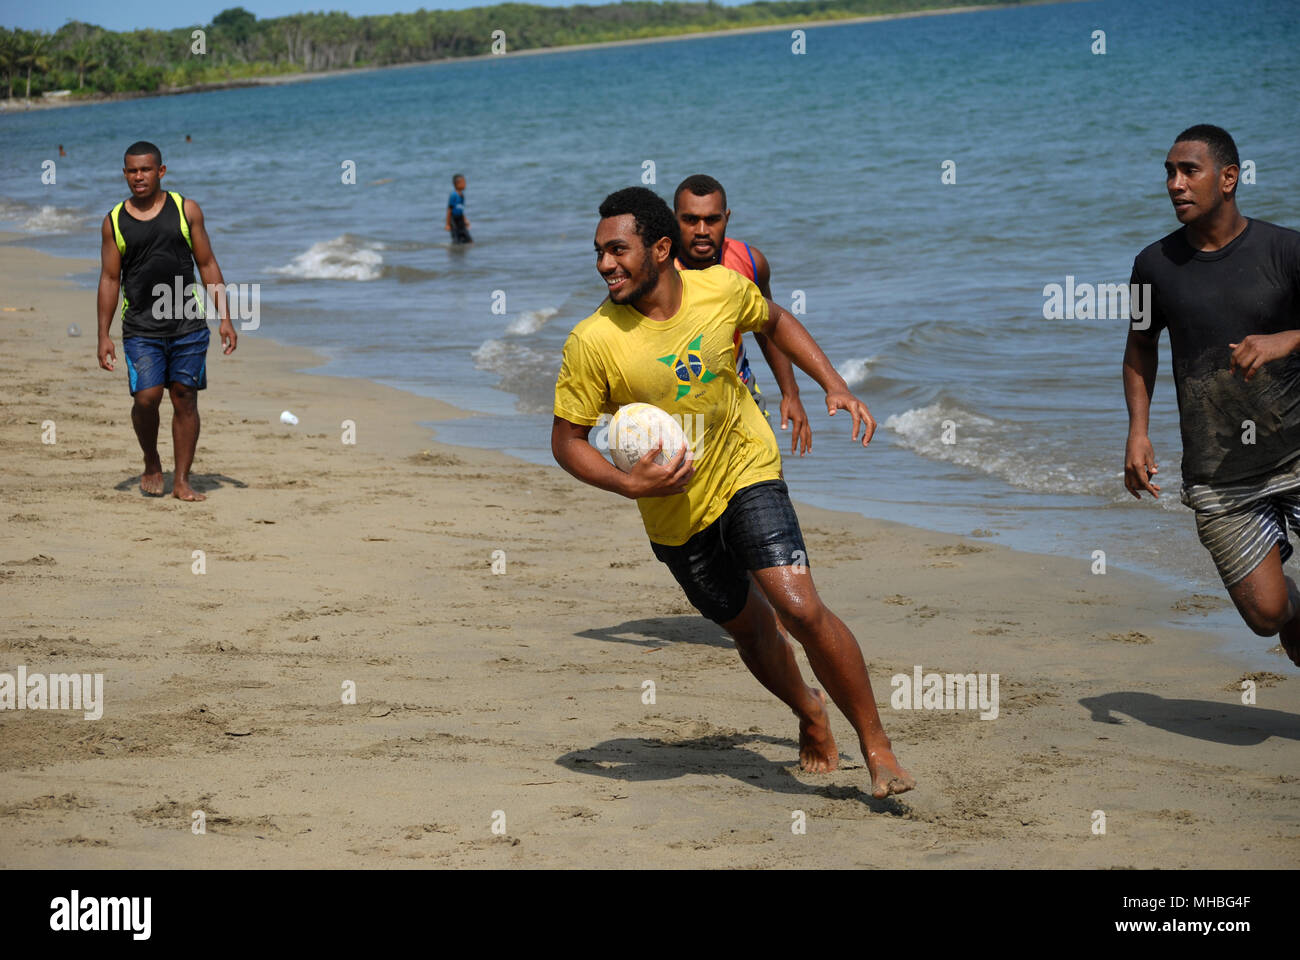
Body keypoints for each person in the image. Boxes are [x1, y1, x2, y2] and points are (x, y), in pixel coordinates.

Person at [552, 187, 914, 797]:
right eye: (599, 253)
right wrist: (627, 482)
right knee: (749, 629)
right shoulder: (594, 341)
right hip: (673, 514)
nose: (605, 265)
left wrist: (833, 384)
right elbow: (567, 441)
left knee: (797, 606)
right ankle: (809, 709)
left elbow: (774, 320)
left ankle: (878, 748)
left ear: (660, 249)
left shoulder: (720, 289)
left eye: (618, 250)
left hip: (746, 465)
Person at [1123, 124, 1300, 666]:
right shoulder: (1153, 267)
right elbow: (1139, 349)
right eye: (1169, 173)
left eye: (1188, 171)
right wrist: (1138, 432)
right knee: (1267, 615)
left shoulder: (1285, 250)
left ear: (1229, 178)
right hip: (1220, 470)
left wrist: (1286, 339)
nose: (1175, 183)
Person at [96, 140, 237, 502]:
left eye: (145, 169)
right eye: (131, 170)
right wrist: (103, 335)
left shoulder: (185, 209)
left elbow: (207, 264)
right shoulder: (114, 221)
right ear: (124, 174)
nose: (138, 176)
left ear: (161, 171)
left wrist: (225, 318)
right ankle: (152, 459)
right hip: (141, 327)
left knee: (184, 397)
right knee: (146, 398)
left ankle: (182, 480)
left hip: (187, 324)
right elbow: (110, 279)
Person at [673, 174, 811, 456]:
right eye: (690, 220)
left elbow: (769, 328)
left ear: (727, 218)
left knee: (768, 479)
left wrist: (791, 393)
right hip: (679, 400)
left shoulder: (750, 262)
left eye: (712, 219)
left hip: (740, 390)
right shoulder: (656, 268)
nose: (701, 230)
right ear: (674, 219)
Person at [446, 173, 472, 244]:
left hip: (460, 218)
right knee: (456, 239)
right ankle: (455, 253)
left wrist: (465, 220)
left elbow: (461, 210)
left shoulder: (462, 196)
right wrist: (447, 224)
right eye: (463, 183)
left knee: (468, 239)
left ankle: (464, 253)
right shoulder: (453, 195)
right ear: (457, 184)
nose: (465, 184)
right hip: (453, 219)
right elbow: (449, 210)